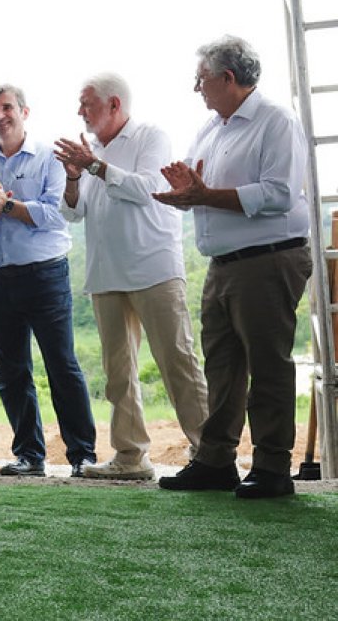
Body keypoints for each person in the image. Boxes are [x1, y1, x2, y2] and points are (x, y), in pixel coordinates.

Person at [154, 35, 311, 499]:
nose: (196, 88)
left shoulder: (275, 121)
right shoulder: (211, 128)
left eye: (201, 79)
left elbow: (280, 193)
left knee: (267, 365)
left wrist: (203, 196)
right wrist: (188, 193)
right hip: (223, 264)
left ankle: (272, 467)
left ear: (227, 78)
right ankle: (216, 460)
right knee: (221, 365)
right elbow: (205, 188)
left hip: (267, 260)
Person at [54, 73, 209, 480]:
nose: (80, 111)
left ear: (114, 105)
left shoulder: (150, 137)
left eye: (86, 103)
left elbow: (146, 189)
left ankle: (211, 453)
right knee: (118, 373)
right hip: (106, 274)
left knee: (178, 363)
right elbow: (72, 213)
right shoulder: (92, 152)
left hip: (153, 269)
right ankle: (130, 456)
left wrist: (94, 166)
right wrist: (74, 176)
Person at [0, 84, 97, 477]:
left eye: (7, 108)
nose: (0, 115)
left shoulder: (49, 159)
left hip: (45, 277)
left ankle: (83, 455)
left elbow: (56, 215)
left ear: (24, 112)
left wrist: (9, 206)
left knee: (62, 366)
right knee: (12, 372)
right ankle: (30, 455)